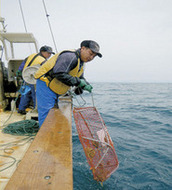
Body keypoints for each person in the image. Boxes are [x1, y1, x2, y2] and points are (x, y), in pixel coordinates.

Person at [34, 40, 102, 127]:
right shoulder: (70, 56)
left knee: (56, 111)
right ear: (83, 48)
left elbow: (80, 77)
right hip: (45, 83)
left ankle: (52, 131)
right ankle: (45, 137)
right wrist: (78, 82)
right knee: (46, 113)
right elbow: (58, 73)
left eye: (94, 56)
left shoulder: (81, 62)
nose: (91, 57)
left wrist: (85, 84)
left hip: (56, 86)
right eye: (90, 53)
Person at [16, 45, 55, 114]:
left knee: (25, 93)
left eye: (50, 54)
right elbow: (47, 71)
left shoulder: (31, 55)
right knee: (36, 95)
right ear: (42, 52)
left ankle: (21, 109)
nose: (49, 55)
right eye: (48, 53)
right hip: (34, 80)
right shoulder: (43, 60)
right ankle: (35, 110)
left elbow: (23, 64)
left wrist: (19, 71)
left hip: (26, 77)